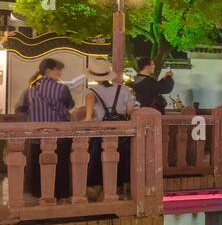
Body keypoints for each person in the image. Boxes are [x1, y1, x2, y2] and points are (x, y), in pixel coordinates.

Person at [16, 57, 75, 199]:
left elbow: (21, 109)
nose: (60, 72)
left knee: (37, 165)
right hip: (59, 135)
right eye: (58, 69)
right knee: (60, 164)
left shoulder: (30, 90)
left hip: (37, 136)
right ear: (49, 70)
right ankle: (60, 192)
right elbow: (70, 105)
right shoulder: (62, 89)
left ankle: (38, 192)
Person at [85, 57, 134, 189]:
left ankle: (102, 189)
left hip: (102, 133)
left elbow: (88, 118)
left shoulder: (91, 92)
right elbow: (130, 112)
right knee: (123, 161)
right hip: (122, 133)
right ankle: (122, 189)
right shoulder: (123, 89)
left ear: (93, 76)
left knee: (99, 161)